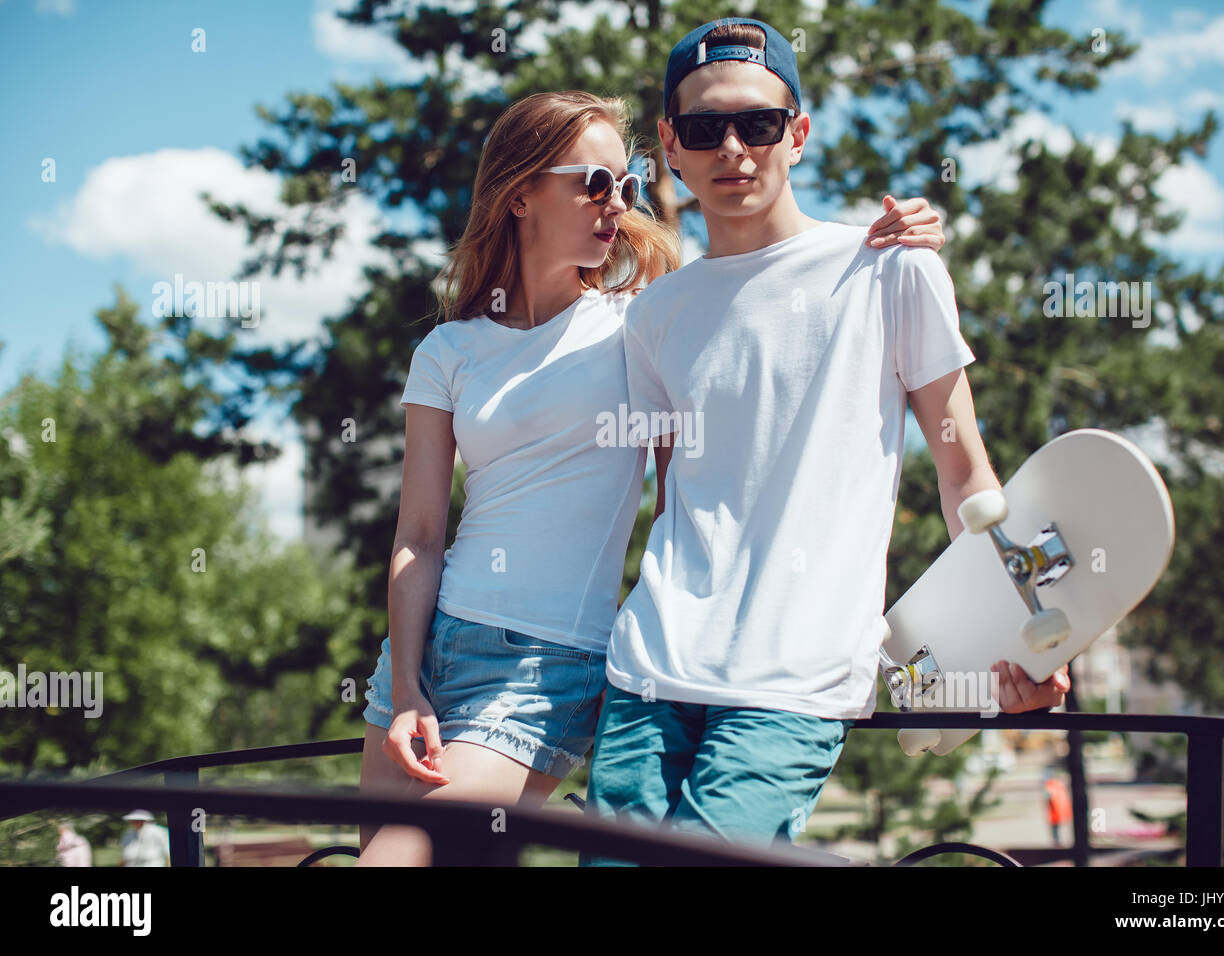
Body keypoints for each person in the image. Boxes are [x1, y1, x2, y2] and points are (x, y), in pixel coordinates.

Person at [354, 87, 949, 865]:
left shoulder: (641, 322)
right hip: (428, 647)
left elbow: (689, 490)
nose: (616, 204)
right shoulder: (449, 351)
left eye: (625, 185)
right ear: (521, 193)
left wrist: (905, 234)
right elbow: (421, 535)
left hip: (546, 665)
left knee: (395, 861)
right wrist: (404, 686)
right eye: (593, 183)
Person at [581, 17, 1070, 863]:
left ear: (797, 133)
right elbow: (676, 500)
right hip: (647, 674)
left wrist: (1017, 636)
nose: (732, 147)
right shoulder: (655, 315)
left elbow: (966, 477)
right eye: (703, 129)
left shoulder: (892, 267)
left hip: (794, 683)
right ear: (670, 145)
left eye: (758, 124)